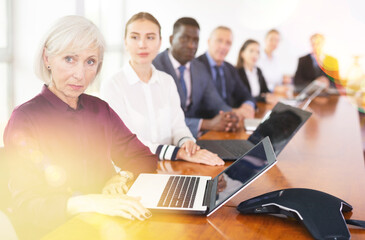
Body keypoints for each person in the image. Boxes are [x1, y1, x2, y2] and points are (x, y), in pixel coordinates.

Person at [3, 16, 157, 239]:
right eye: (69, 59)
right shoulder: (25, 118)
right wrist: (90, 202)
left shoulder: (99, 109)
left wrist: (121, 177)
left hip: (109, 226)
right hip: (58, 231)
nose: (80, 74)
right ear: (47, 58)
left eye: (90, 62)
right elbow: (26, 206)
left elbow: (144, 157)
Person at [100, 13, 223, 166]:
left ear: (160, 42)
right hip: (132, 171)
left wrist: (187, 143)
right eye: (134, 37)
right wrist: (178, 152)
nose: (142, 44)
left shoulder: (167, 81)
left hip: (170, 167)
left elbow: (178, 127)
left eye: (150, 37)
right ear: (125, 42)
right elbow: (127, 142)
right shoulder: (112, 85)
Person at [152, 17, 240, 137]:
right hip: (164, 140)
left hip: (195, 140)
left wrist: (230, 116)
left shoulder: (199, 68)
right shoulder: (154, 67)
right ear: (172, 39)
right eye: (184, 39)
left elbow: (216, 102)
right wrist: (205, 124)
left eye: (195, 40)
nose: (191, 46)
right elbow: (161, 118)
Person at [197, 26, 255, 120]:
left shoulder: (230, 68)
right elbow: (201, 104)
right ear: (208, 41)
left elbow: (245, 94)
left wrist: (247, 106)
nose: (223, 47)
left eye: (228, 43)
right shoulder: (196, 66)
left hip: (230, 122)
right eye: (219, 41)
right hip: (208, 124)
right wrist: (232, 111)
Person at [236, 39, 278, 103]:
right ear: (242, 53)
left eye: (257, 52)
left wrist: (269, 95)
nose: (255, 54)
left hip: (260, 107)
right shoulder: (236, 72)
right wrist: (261, 98)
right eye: (251, 51)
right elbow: (241, 98)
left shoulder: (258, 71)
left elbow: (265, 91)